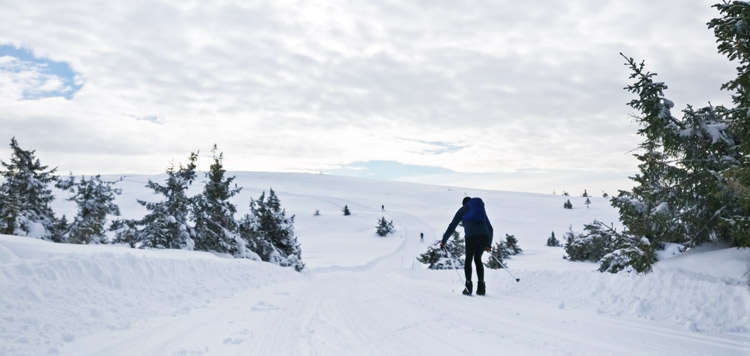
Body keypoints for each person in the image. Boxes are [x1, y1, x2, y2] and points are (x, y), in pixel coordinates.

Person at [441, 196, 493, 296]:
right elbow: (490, 228)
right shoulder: (481, 211)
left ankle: (468, 287)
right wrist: (489, 245)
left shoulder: (463, 209)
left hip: (471, 236)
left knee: (468, 260)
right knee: (478, 259)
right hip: (485, 236)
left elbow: (452, 226)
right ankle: (481, 287)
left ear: (464, 203)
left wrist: (444, 241)